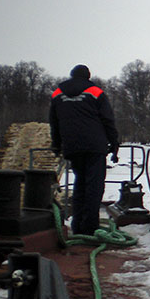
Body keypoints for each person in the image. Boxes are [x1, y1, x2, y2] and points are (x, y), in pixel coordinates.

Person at [49, 64, 119, 235]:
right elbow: (108, 120)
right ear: (88, 77)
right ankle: (89, 227)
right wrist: (114, 144)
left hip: (72, 147)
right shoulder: (96, 92)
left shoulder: (58, 94)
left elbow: (54, 123)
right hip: (95, 146)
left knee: (80, 184)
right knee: (94, 186)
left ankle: (76, 225)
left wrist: (57, 145)